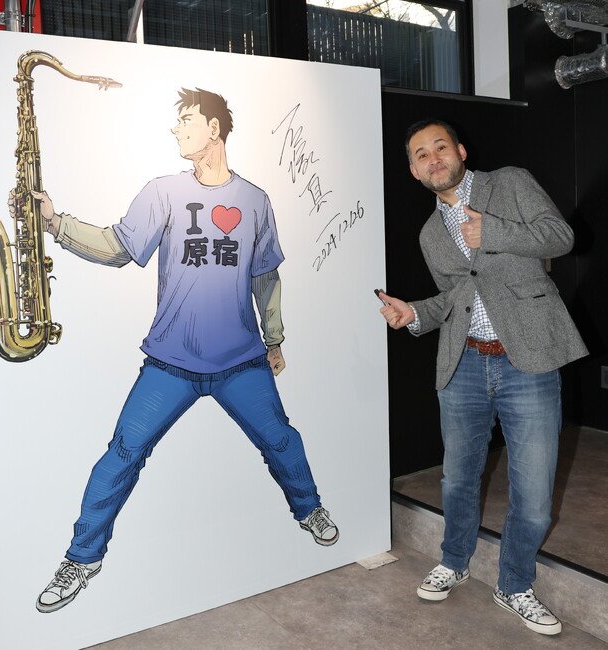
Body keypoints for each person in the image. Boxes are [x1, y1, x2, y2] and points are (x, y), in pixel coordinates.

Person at [33, 87, 339, 614]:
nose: (177, 129)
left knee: (281, 440)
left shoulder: (255, 200)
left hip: (241, 361)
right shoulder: (163, 192)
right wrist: (56, 224)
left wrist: (275, 339)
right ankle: (82, 559)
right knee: (122, 454)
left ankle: (309, 508)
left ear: (214, 129)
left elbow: (266, 275)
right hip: (170, 362)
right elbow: (117, 247)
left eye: (187, 120)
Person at [379, 119, 587, 636]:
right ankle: (455, 560)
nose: (433, 159)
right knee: (457, 479)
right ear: (414, 171)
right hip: (464, 363)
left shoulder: (509, 183)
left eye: (440, 147)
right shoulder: (430, 233)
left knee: (533, 493)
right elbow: (457, 297)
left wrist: (493, 231)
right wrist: (415, 314)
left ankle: (514, 584)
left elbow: (561, 237)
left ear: (460, 151)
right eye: (421, 155)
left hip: (527, 360)